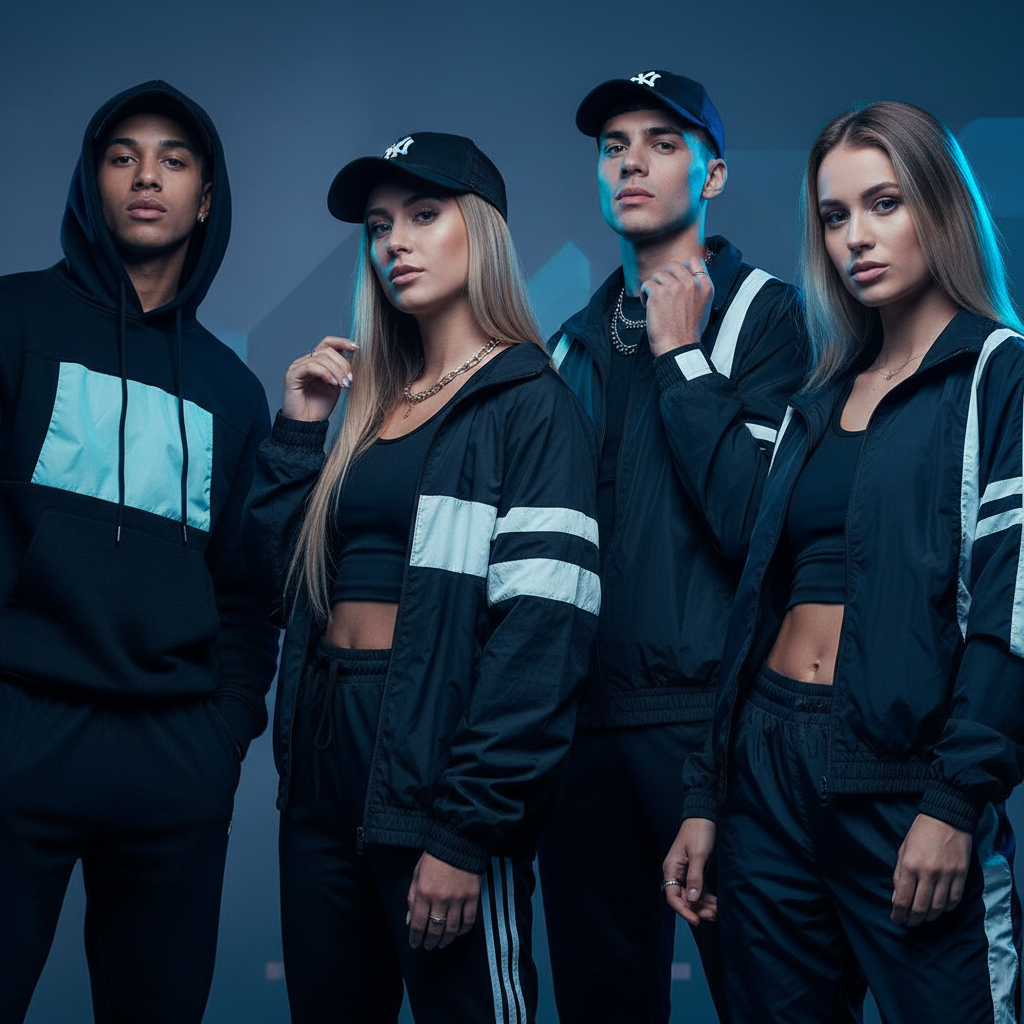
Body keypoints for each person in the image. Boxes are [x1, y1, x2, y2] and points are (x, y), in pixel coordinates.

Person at [666, 100, 1024, 1023]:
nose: (855, 237)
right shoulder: (818, 397)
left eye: (885, 204)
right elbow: (757, 592)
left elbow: (1011, 607)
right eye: (834, 216)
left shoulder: (1000, 375)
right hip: (768, 773)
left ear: (939, 208)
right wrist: (709, 792)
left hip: (905, 779)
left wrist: (953, 801)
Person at [244, 131, 600, 1024]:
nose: (394, 242)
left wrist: (465, 830)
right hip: (326, 767)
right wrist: (298, 436)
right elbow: (272, 586)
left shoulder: (531, 402)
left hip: (440, 771)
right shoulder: (366, 408)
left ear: (479, 232)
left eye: (423, 215)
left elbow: (541, 639)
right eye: (377, 225)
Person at [0, 81, 278, 1024]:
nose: (146, 176)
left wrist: (222, 737)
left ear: (206, 196)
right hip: (22, 729)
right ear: (93, 181)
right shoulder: (13, 324)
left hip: (172, 753)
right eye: (122, 156)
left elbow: (246, 594)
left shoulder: (232, 393)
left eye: (174, 158)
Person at [536, 69, 806, 1022]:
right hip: (577, 734)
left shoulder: (768, 315)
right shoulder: (567, 343)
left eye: (661, 141)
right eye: (614, 147)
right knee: (600, 1002)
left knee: (768, 996)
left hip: (709, 727)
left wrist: (681, 354)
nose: (632, 163)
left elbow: (755, 523)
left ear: (714, 173)